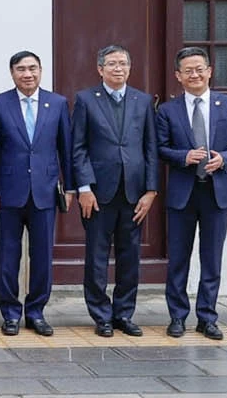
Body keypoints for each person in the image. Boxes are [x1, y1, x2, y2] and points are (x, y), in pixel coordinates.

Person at [156, 46, 227, 341]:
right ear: (178, 76)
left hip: (218, 192)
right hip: (183, 193)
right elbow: (159, 148)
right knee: (178, 258)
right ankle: (177, 316)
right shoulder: (167, 110)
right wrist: (183, 156)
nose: (194, 74)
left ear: (209, 71)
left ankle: (207, 317)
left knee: (212, 258)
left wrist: (225, 157)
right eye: (188, 70)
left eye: (200, 69)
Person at [71, 43, 159, 338]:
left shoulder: (143, 101)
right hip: (98, 193)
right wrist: (84, 187)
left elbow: (151, 148)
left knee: (129, 256)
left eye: (123, 63)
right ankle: (101, 315)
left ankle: (124, 313)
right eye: (112, 64)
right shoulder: (85, 99)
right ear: (100, 69)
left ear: (129, 68)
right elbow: (79, 147)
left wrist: (151, 190)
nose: (118, 68)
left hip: (134, 193)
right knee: (96, 256)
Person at [0, 50, 72, 336]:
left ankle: (36, 312)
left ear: (41, 70)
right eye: (21, 69)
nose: (27, 74)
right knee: (8, 256)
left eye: (32, 68)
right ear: (12, 73)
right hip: (8, 192)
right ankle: (10, 313)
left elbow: (66, 149)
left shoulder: (57, 103)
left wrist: (69, 186)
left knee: (43, 256)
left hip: (45, 192)